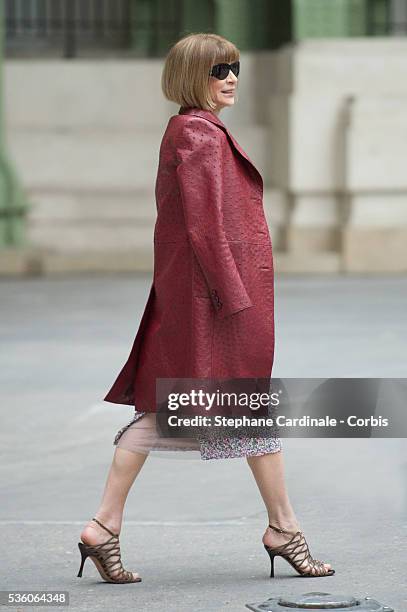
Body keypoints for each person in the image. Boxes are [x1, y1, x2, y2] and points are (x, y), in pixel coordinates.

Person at [76, 33, 334, 584]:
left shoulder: (197, 130)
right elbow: (204, 226)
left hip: (204, 299)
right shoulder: (197, 133)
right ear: (195, 77)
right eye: (221, 69)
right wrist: (234, 297)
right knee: (240, 405)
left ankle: (103, 525)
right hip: (215, 303)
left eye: (235, 66)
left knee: (167, 410)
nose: (232, 77)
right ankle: (284, 528)